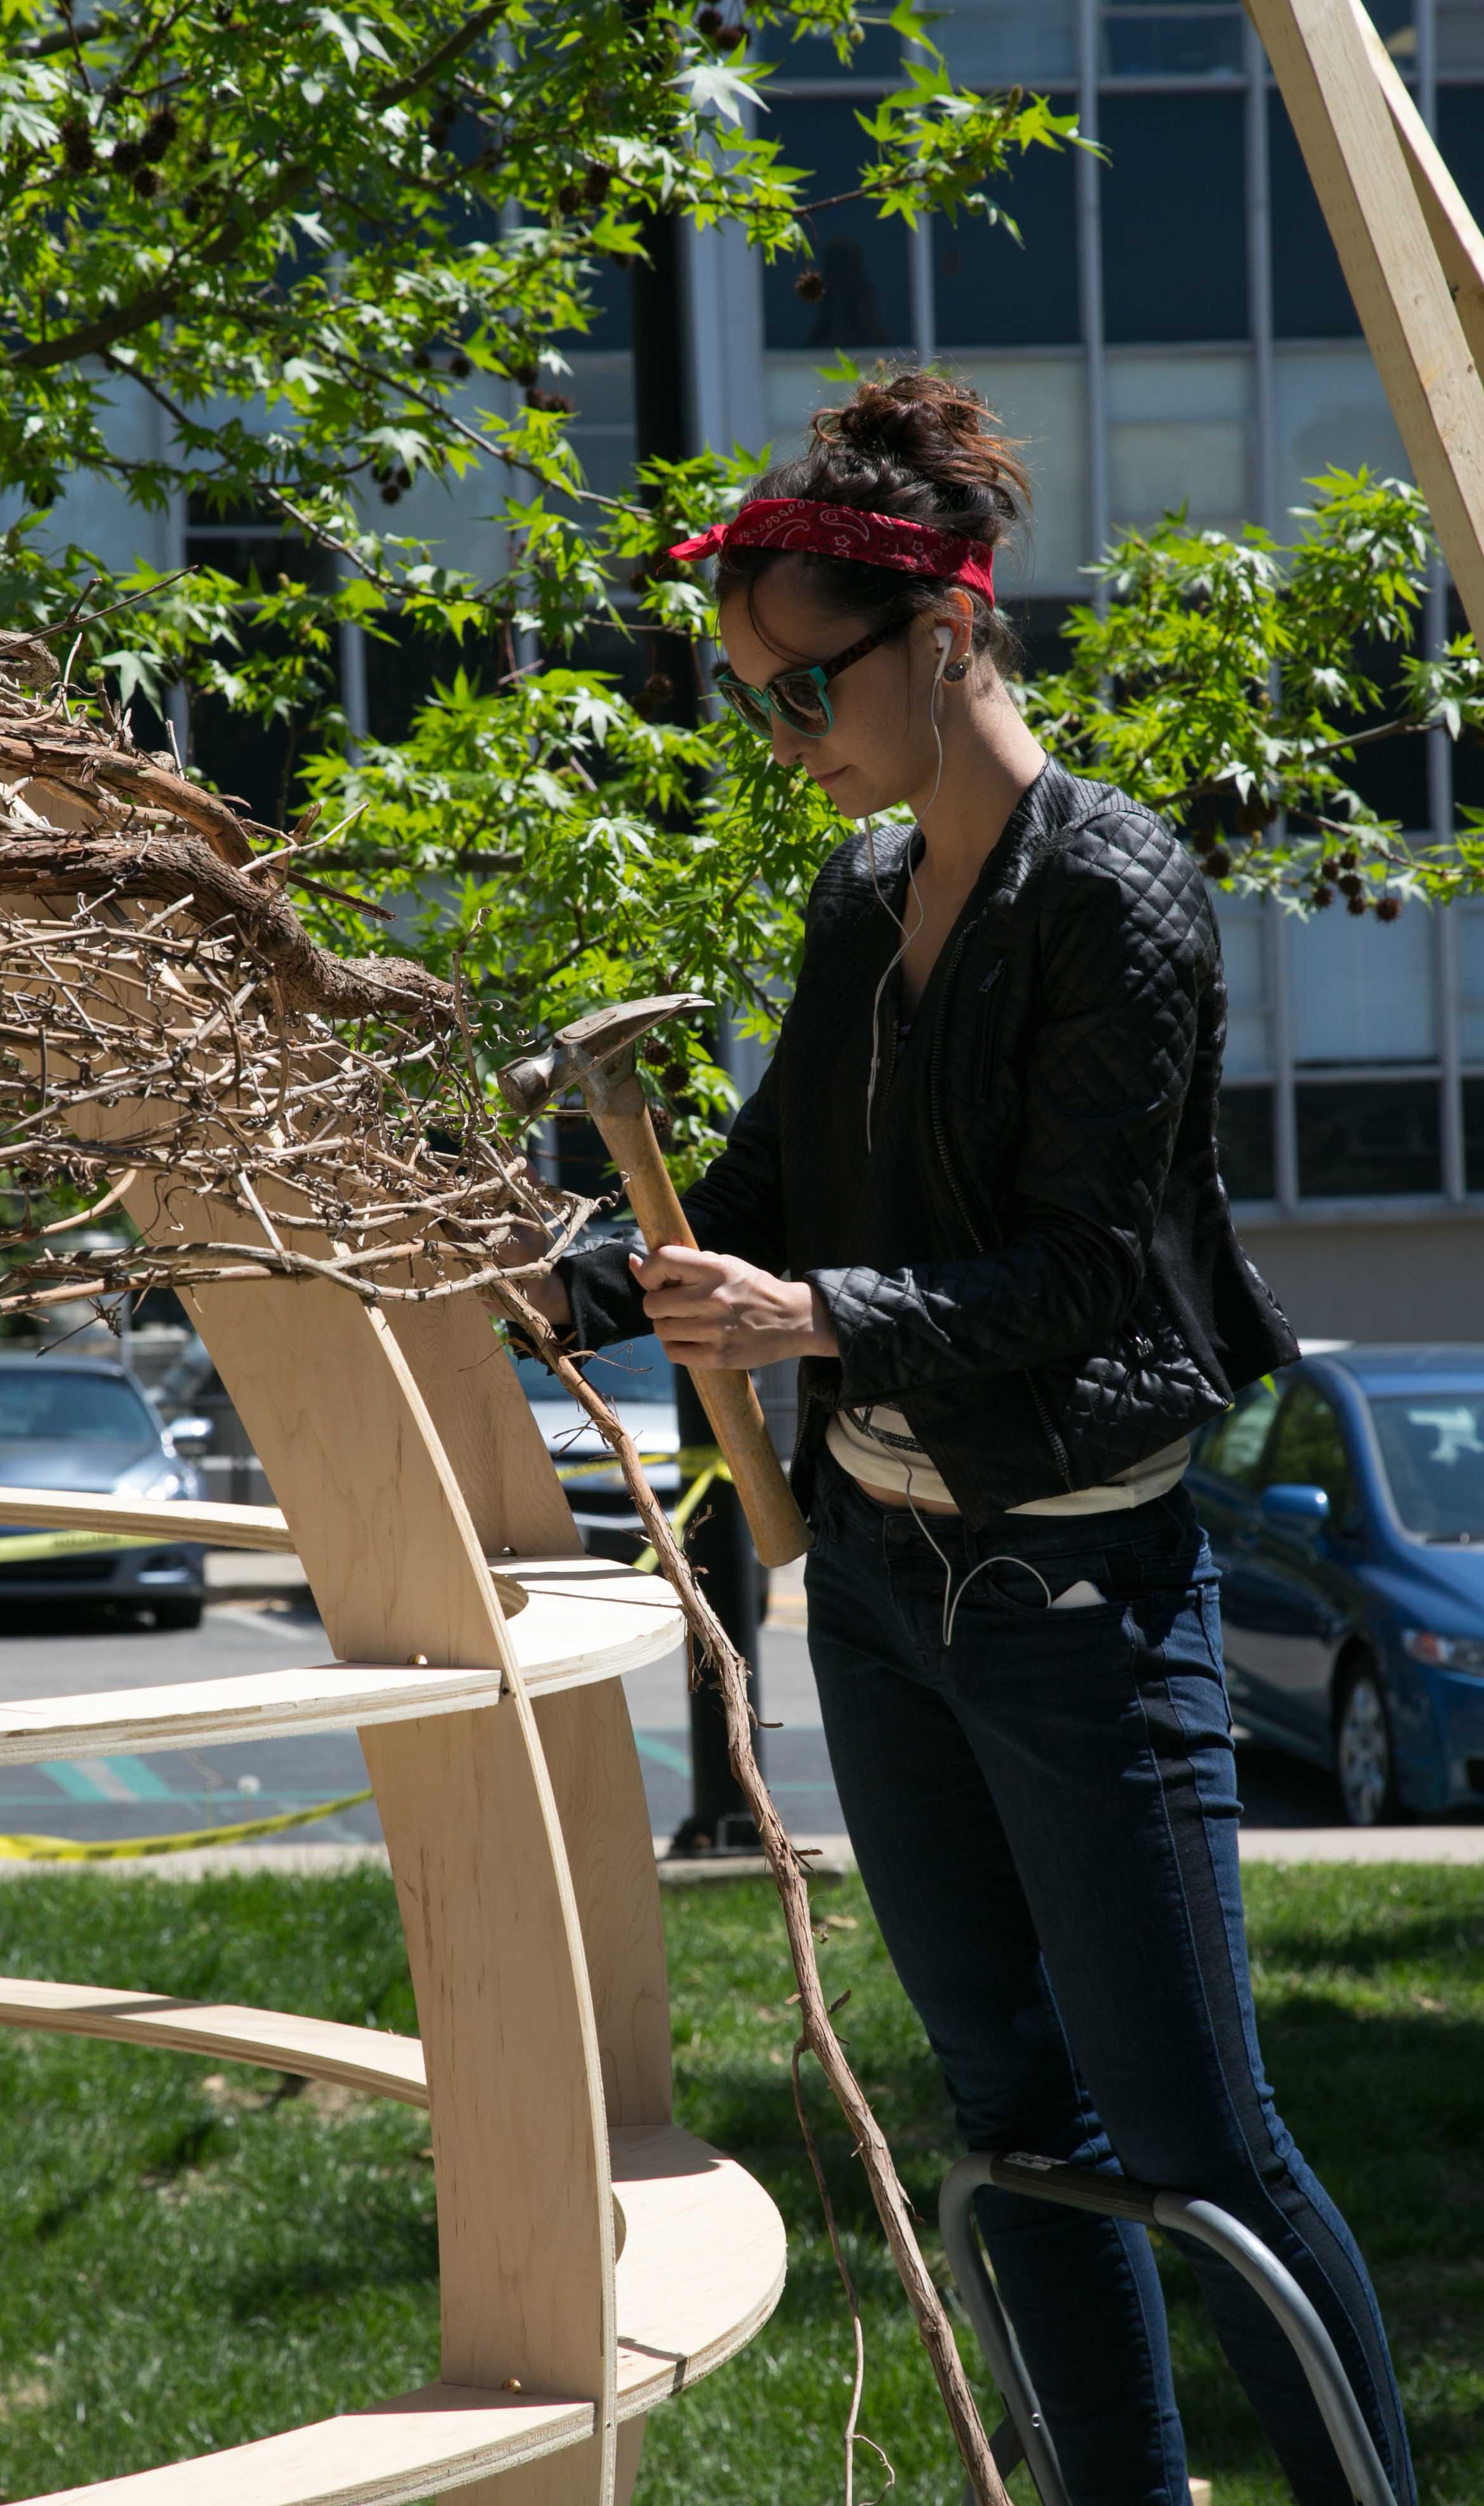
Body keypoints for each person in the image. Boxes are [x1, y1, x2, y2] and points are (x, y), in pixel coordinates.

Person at [516, 371, 1416, 2506]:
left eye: (801, 685)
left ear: (941, 635)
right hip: (893, 1604)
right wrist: (555, 1256)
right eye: (752, 699)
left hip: (1083, 1606)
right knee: (1014, 2114)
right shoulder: (858, 901)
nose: (784, 735)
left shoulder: (1119, 895)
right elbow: (750, 1214)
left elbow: (1092, 1268)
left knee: (1200, 2137)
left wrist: (817, 1319)